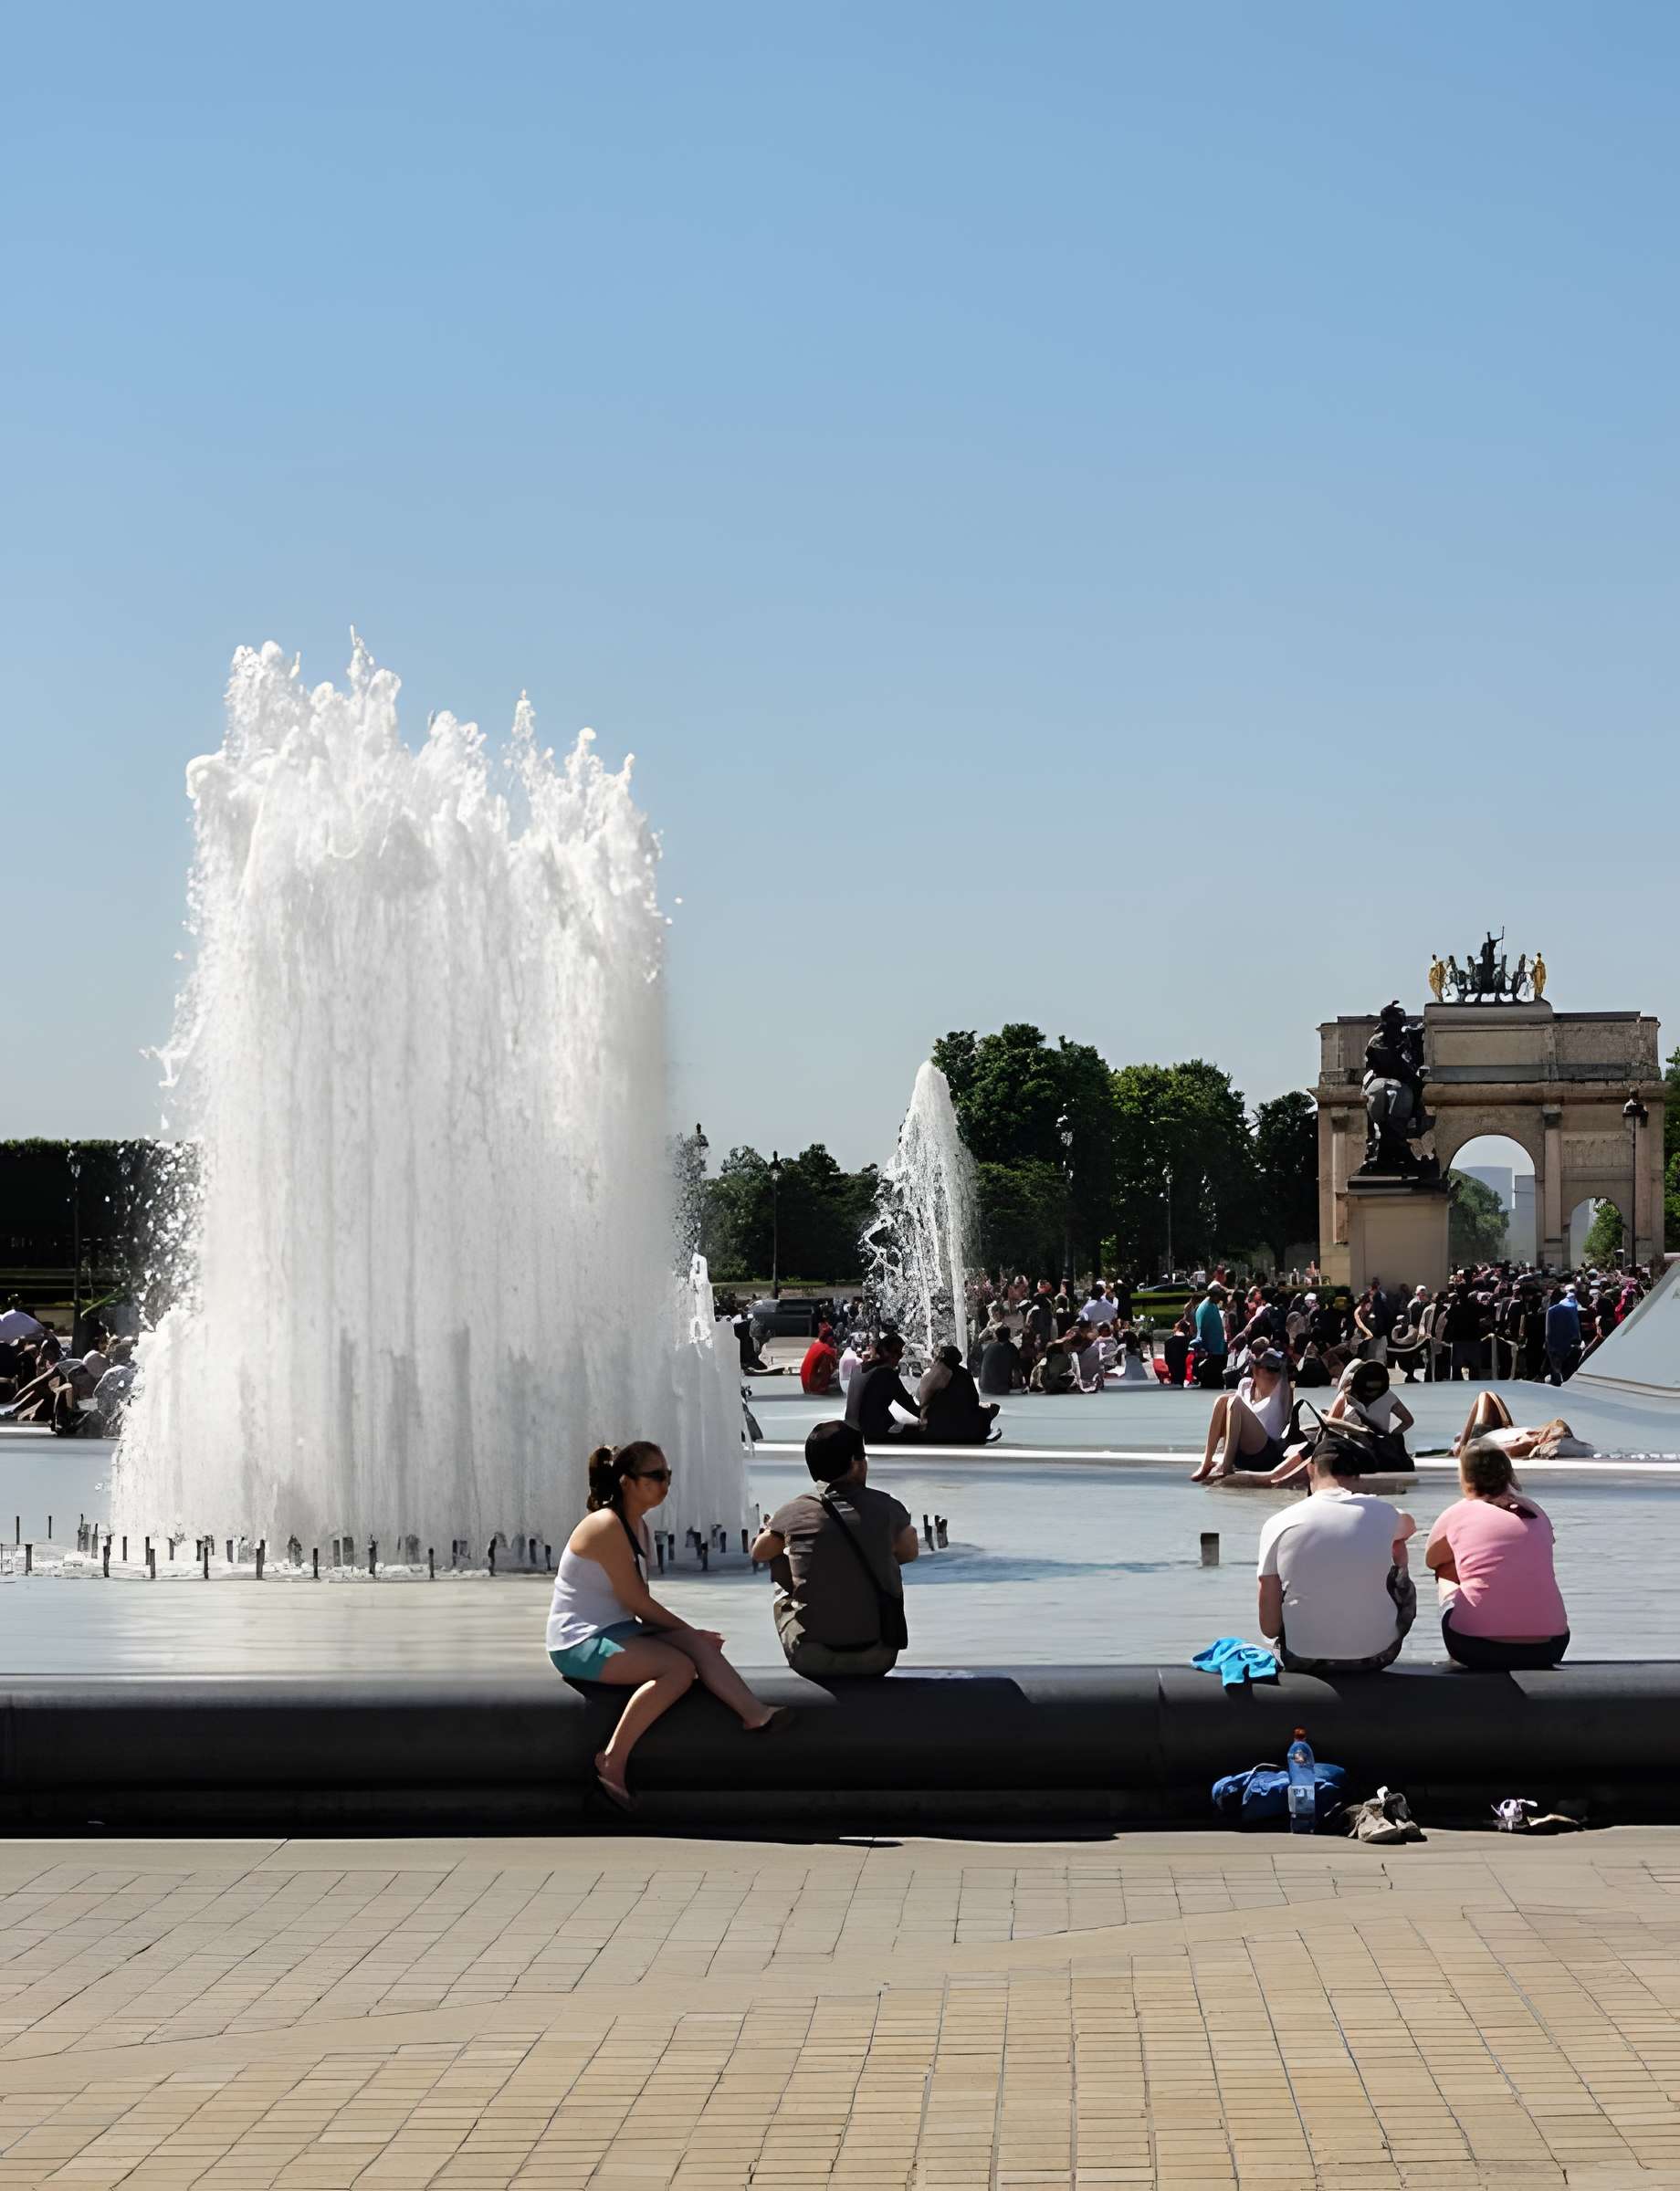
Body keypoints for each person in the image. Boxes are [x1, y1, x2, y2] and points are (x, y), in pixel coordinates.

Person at [546, 1441, 783, 1809]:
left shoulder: (636, 1527)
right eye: (655, 1476)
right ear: (627, 1482)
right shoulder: (607, 1525)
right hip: (578, 1643)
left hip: (613, 1629)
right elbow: (637, 1602)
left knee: (693, 1647)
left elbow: (637, 1607)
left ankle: (754, 1714)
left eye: (667, 1475)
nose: (665, 1483)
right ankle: (612, 1759)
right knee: (677, 1668)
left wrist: (687, 1636)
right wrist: (686, 1634)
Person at [751, 1420, 919, 1677]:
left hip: (811, 1658)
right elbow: (909, 1552)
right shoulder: (888, 1507)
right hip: (879, 1656)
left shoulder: (794, 1511)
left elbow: (759, 1553)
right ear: (855, 1464)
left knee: (780, 1559)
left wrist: (776, 1534)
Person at [1256, 1438, 1418, 1674]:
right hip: (1377, 1656)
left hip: (1300, 1658)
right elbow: (1409, 1527)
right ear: (1358, 1477)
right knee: (1397, 1548)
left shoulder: (1278, 1522)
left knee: (1278, 1579)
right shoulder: (1385, 1513)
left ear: (1311, 1469)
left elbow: (1269, 1628)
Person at [1425, 1441, 1570, 1670]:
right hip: (1551, 1646)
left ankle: (1472, 1633)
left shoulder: (1457, 1512)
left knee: (1447, 1568)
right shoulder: (1534, 1510)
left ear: (1464, 1477)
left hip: (1476, 1647)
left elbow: (1432, 1560)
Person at [1190, 1348, 1293, 1482]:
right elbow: (1232, 1415)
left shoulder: (1282, 1390)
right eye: (1268, 1369)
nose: (1272, 1374)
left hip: (1266, 1453)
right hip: (1240, 1452)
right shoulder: (1245, 1385)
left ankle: (1226, 1466)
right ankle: (1206, 1461)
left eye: (1275, 1370)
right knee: (1222, 1400)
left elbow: (1289, 1377)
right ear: (1256, 1370)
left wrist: (1280, 1363)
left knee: (1235, 1401)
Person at [845, 1333, 929, 1443]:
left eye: (901, 1353)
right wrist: (929, 1416)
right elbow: (907, 1402)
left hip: (853, 1426)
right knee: (925, 1432)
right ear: (885, 1352)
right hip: (872, 1431)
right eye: (897, 1352)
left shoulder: (860, 1367)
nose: (899, 1357)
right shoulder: (886, 1373)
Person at [1451, 1389, 1580, 1461]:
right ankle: (1462, 1444)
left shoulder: (1525, 1443)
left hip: (1488, 1438)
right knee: (1486, 1396)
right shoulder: (1532, 1438)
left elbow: (1469, 1450)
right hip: (1504, 1433)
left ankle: (1462, 1443)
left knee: (1485, 1396)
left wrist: (1463, 1445)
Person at [918, 1343, 999, 1442]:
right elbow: (974, 1401)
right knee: (989, 1410)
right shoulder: (964, 1374)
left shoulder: (932, 1374)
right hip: (963, 1430)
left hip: (937, 1428)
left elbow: (920, 1398)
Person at [1193, 1281, 1229, 1387]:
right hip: (1211, 1351)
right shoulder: (1205, 1308)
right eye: (1218, 1297)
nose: (1219, 1300)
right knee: (1212, 1381)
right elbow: (1201, 1330)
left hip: (1217, 1348)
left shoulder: (1212, 1305)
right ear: (1213, 1295)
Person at [1545, 1285, 1581, 1385]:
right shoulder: (1572, 1309)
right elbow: (1575, 1326)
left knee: (1555, 1368)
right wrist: (1577, 1340)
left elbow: (1548, 1330)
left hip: (1554, 1344)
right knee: (1568, 1370)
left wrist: (1548, 1343)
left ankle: (1556, 1381)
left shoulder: (1551, 1310)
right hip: (1568, 1344)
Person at [977, 1325, 1025, 1396]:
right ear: (1009, 1335)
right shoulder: (1011, 1348)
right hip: (1000, 1389)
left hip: (983, 1386)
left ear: (996, 1336)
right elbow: (1016, 1373)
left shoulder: (989, 1347)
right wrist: (1019, 1386)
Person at [799, 1324, 839, 1397]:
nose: (833, 1341)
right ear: (829, 1338)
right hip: (814, 1386)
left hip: (806, 1383)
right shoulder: (827, 1350)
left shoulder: (815, 1344)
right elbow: (833, 1367)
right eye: (833, 1339)